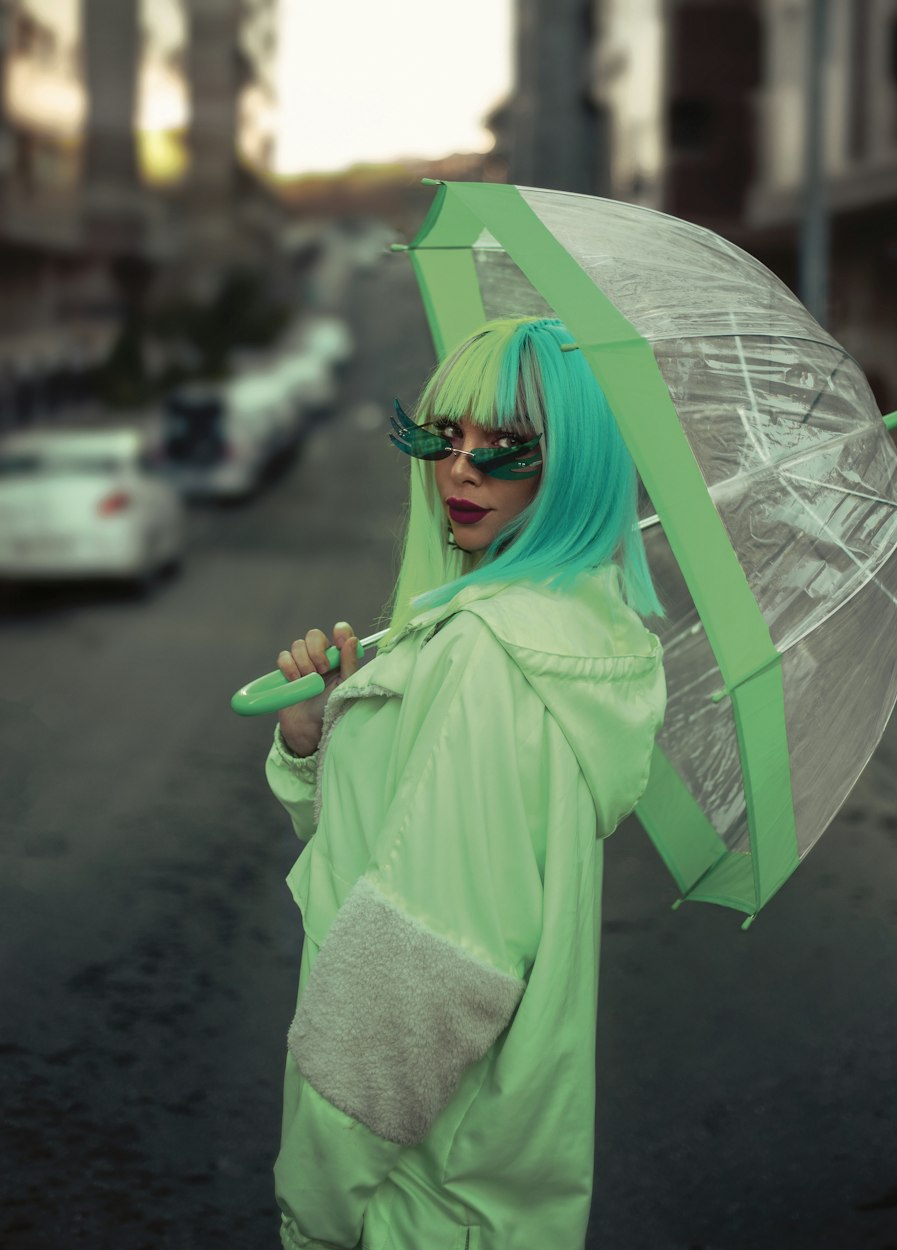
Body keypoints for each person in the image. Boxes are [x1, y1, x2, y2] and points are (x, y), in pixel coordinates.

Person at [264, 315, 667, 1250]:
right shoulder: (563, 636)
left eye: (508, 446)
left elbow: (425, 970)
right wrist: (314, 744)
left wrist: (313, 1211)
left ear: (574, 465)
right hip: (495, 1192)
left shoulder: (490, 654)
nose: (460, 470)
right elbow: (389, 843)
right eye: (444, 438)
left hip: (419, 1202)